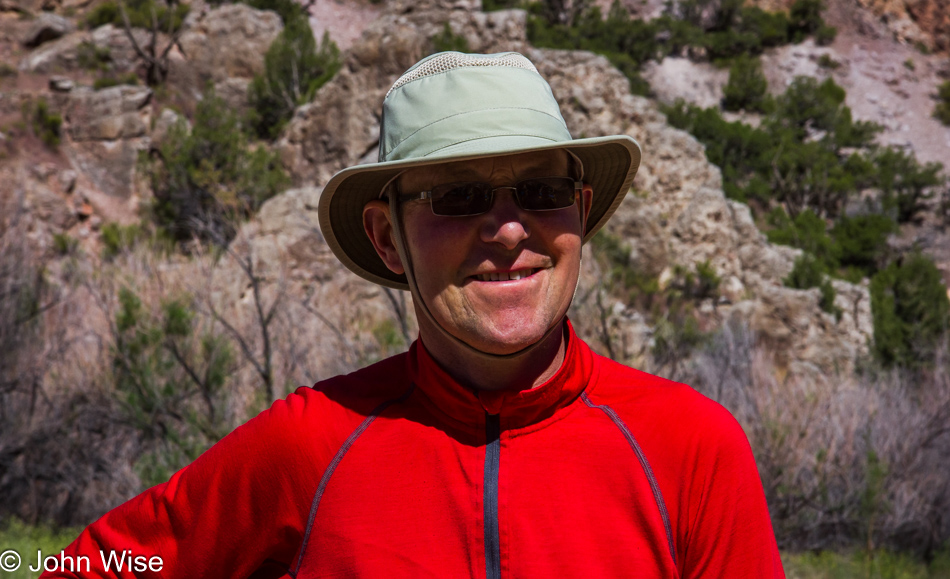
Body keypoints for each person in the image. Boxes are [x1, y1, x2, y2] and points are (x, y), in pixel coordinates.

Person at [42, 51, 784, 578]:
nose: (510, 230)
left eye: (540, 191)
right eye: (458, 197)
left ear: (580, 214)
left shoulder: (690, 450)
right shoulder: (310, 445)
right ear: (386, 237)